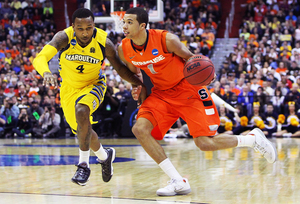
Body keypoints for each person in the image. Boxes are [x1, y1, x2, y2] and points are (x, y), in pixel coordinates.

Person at [118, 7, 277, 196]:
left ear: (142, 25)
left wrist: (207, 75)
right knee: (139, 129)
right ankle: (178, 181)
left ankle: (251, 139)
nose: (124, 25)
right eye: (124, 21)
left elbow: (193, 59)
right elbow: (136, 75)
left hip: (188, 90)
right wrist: (138, 87)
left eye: (129, 22)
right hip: (162, 94)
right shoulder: (124, 48)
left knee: (204, 143)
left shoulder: (166, 40)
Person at [33, 8, 145, 186]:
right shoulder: (64, 37)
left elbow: (120, 68)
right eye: (80, 28)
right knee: (83, 131)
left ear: (94, 26)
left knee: (82, 110)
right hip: (69, 89)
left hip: (94, 85)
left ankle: (83, 165)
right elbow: (40, 58)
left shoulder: (104, 42)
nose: (85, 32)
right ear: (73, 27)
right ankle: (104, 156)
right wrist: (46, 72)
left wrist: (137, 83)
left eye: (89, 27)